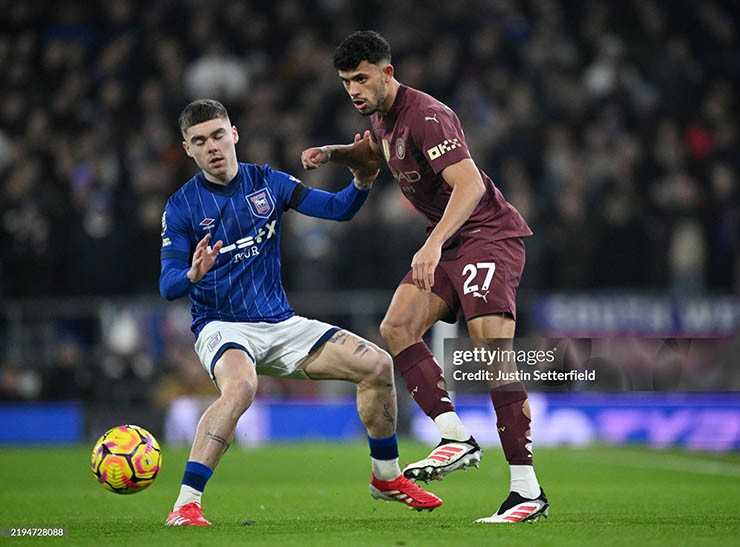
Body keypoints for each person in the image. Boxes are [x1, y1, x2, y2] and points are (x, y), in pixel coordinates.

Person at [301, 31, 548, 523]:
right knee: (395, 328)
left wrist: (432, 243)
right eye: (346, 82)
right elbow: (377, 155)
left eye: (362, 78)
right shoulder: (381, 117)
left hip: (485, 236)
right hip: (450, 240)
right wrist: (333, 153)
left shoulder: (427, 116)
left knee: (491, 351)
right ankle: (456, 437)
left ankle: (526, 491)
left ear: (387, 73)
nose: (353, 89)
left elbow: (471, 184)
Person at [160, 99, 442, 526]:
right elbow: (167, 286)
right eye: (200, 141)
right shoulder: (182, 207)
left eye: (218, 135)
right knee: (241, 387)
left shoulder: (267, 182)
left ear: (233, 134)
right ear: (188, 150)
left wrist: (362, 182)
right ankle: (185, 504)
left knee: (378, 365)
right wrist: (192, 274)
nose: (212, 147)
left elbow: (335, 208)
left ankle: (386, 476)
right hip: (221, 326)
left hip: (281, 323)